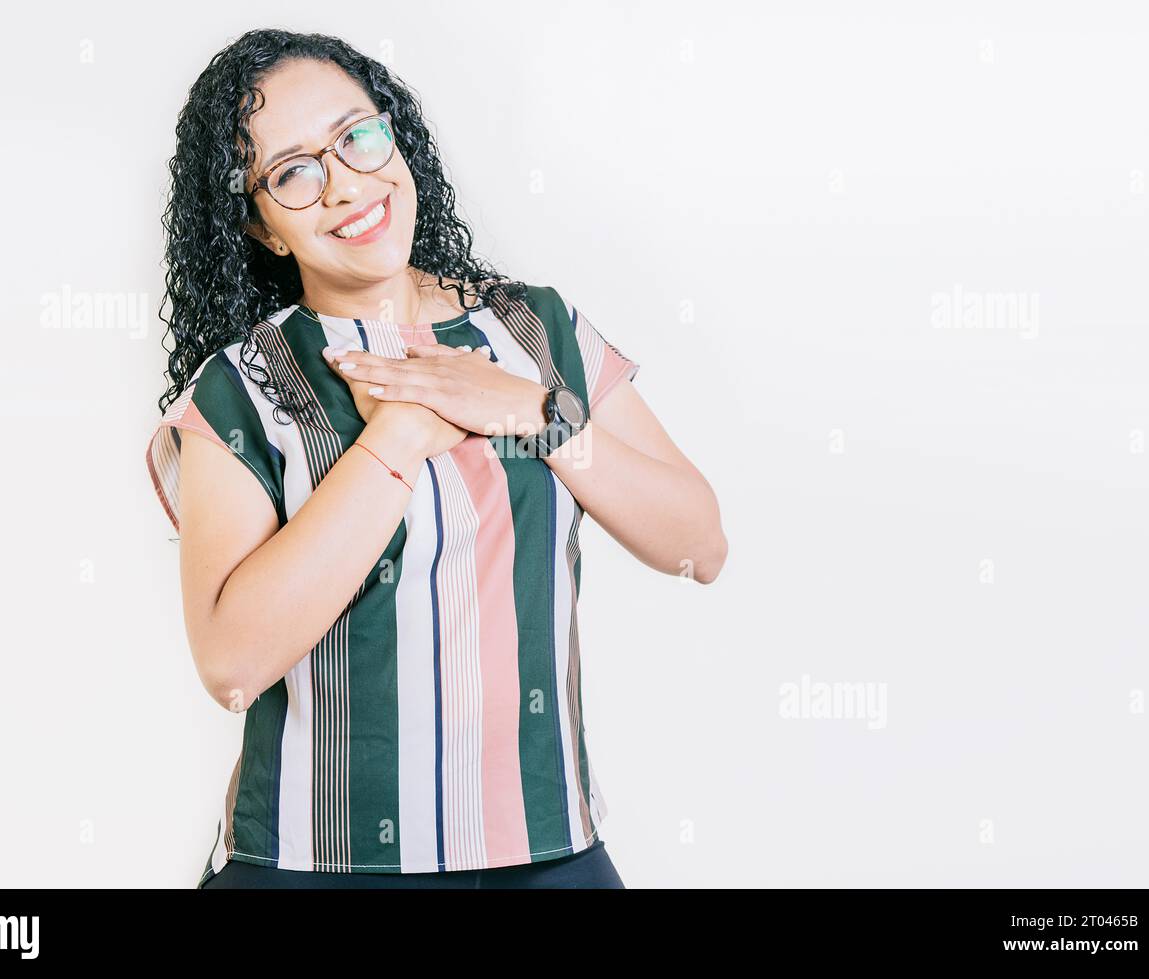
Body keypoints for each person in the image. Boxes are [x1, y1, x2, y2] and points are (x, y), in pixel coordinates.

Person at [144, 28, 727, 889]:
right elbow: (230, 663)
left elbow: (700, 544)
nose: (345, 184)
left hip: (550, 852)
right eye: (293, 172)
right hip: (313, 863)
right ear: (261, 226)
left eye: (356, 136)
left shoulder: (536, 330)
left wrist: (535, 412)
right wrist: (399, 434)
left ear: (396, 135)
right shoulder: (238, 392)